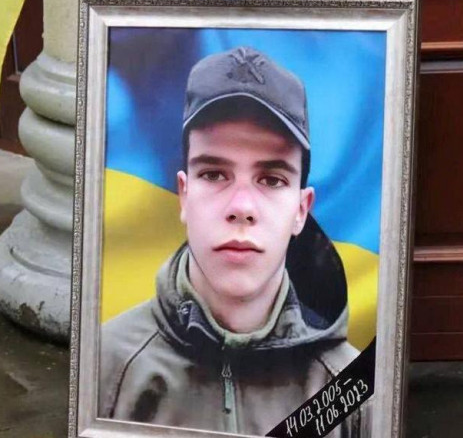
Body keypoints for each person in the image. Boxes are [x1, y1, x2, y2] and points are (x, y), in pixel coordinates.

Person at [99, 46, 370, 437]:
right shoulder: (107, 363)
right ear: (184, 196)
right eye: (214, 174)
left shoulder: (351, 388)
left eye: (271, 179)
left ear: (301, 209)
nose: (241, 208)